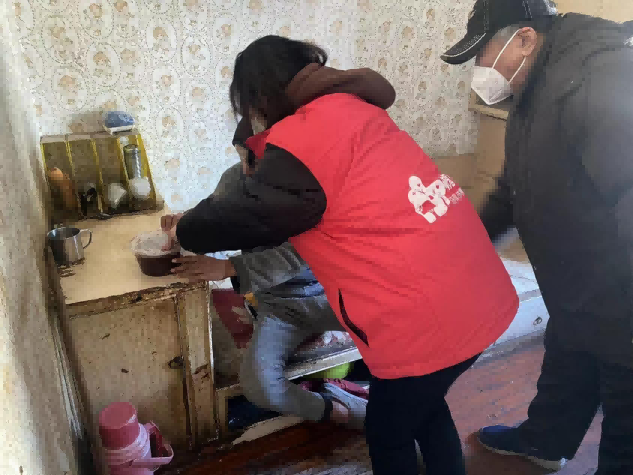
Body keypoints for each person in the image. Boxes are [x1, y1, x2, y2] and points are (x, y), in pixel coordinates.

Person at [163, 36, 519, 475]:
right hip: (476, 290)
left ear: (259, 97)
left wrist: (185, 231)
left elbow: (248, 217)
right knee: (424, 408)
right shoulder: (355, 111)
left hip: (425, 314)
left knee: (388, 433)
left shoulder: (303, 141)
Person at [442, 1, 633, 473]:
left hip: (620, 288)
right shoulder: (535, 84)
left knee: (626, 403)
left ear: (524, 38)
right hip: (577, 282)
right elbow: (512, 189)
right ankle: (545, 442)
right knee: (568, 359)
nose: (481, 68)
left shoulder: (604, 78)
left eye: (483, 54)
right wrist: (459, 256)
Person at [167, 159, 366, 429]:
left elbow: (297, 256)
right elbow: (215, 213)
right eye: (244, 156)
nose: (248, 167)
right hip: (279, 309)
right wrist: (184, 222)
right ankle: (332, 408)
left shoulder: (315, 184)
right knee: (258, 384)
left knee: (398, 331)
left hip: (333, 296)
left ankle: (390, 410)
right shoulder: (236, 178)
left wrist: (227, 267)